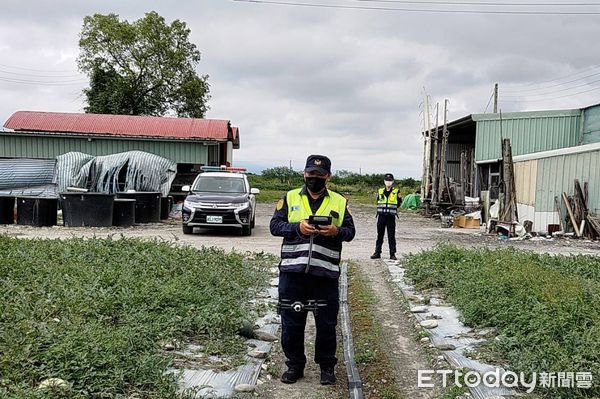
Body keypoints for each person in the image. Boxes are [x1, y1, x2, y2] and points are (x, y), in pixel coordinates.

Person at [270, 154, 356, 385]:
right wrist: (297, 227)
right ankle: (294, 366)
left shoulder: (339, 201)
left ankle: (327, 367)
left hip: (325, 275)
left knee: (326, 324)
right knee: (291, 323)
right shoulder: (288, 198)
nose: (314, 178)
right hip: (292, 274)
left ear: (328, 176)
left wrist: (335, 232)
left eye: (319, 174)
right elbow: (274, 226)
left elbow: (350, 232)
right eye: (311, 173)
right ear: (304, 173)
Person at [371, 173, 402, 260]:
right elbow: (378, 201)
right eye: (387, 180)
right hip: (381, 216)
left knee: (391, 235)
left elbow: (399, 202)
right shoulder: (380, 191)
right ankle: (377, 252)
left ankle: (392, 254)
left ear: (393, 181)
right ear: (384, 181)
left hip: (390, 217)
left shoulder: (396, 191)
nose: (388, 182)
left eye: (390, 180)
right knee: (379, 235)